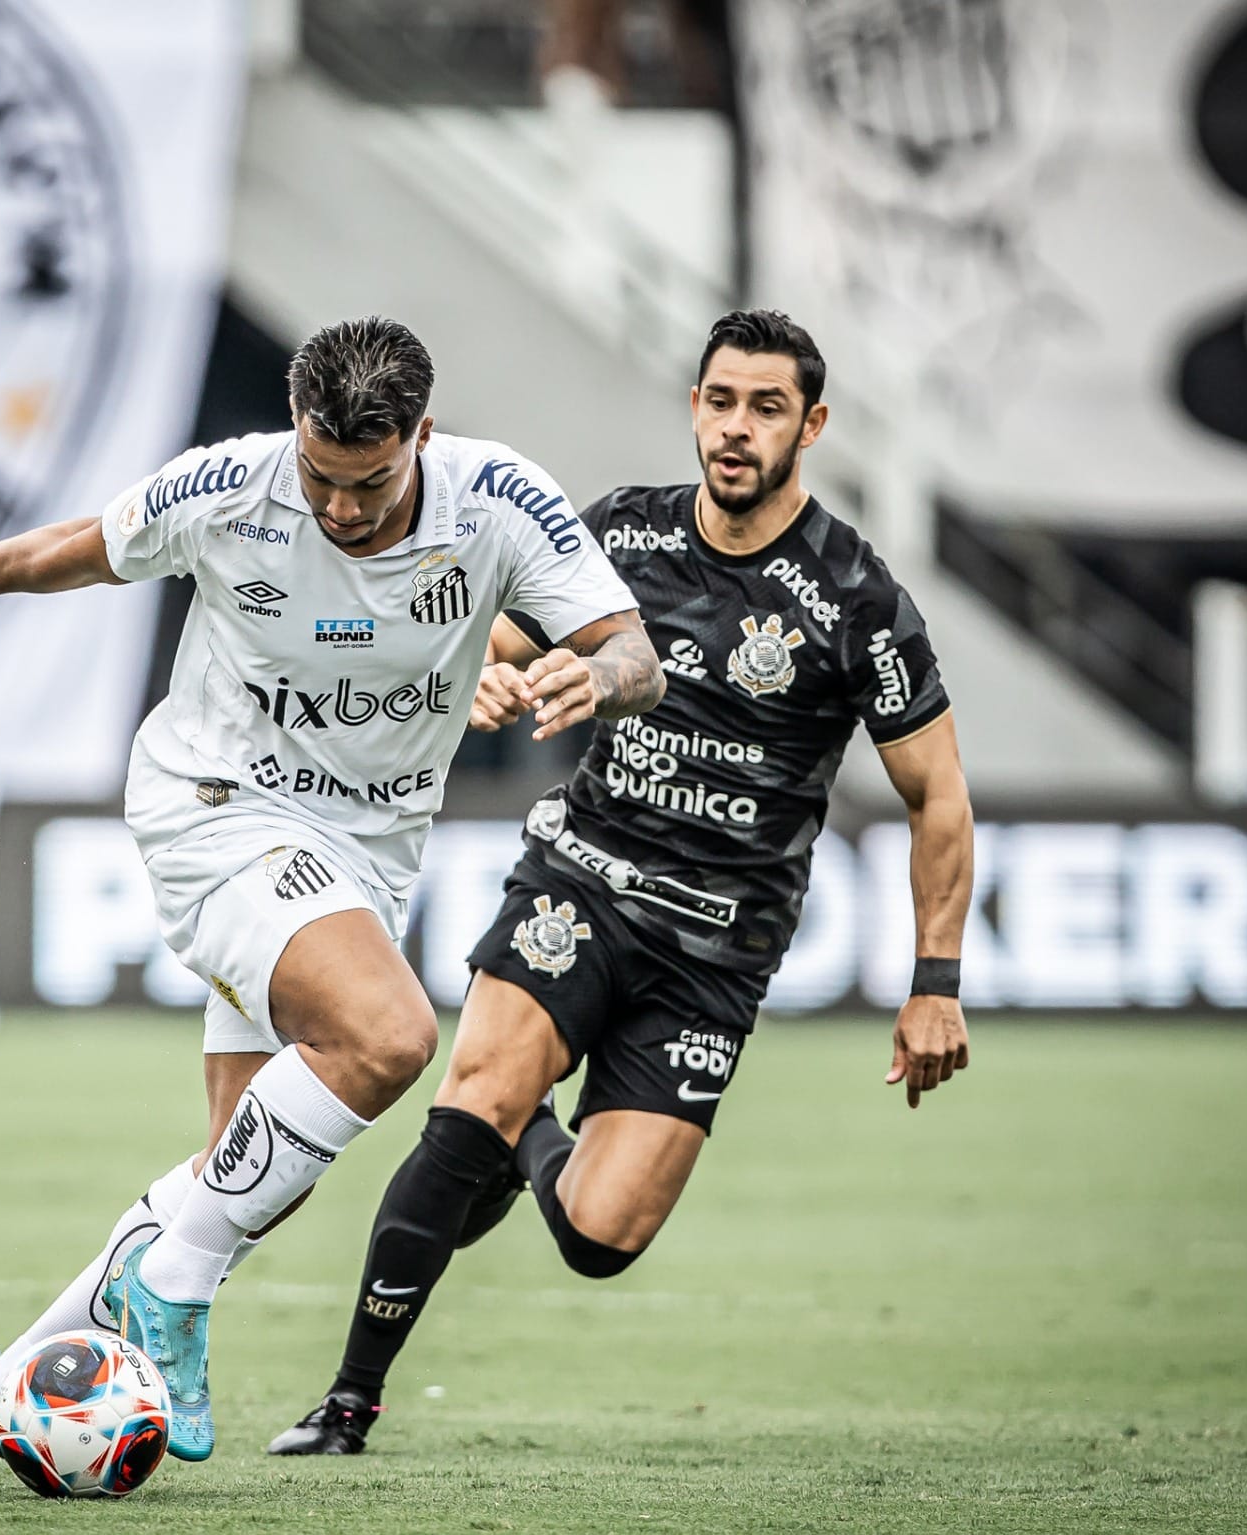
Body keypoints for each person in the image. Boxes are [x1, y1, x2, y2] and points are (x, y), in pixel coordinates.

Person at [0, 316, 664, 1464]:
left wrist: (588, 672)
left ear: (422, 432)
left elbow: (637, 656)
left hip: (368, 853)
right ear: (295, 426)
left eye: (368, 483)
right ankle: (170, 1291)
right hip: (216, 805)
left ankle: (20, 1365)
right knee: (389, 1032)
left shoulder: (501, 500)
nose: (341, 509)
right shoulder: (233, 485)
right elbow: (94, 541)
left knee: (245, 1171)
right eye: (321, 475)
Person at [266, 308, 975, 1456]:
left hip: (716, 950)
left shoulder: (856, 597)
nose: (736, 428)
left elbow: (937, 795)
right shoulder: (623, 534)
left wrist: (934, 978)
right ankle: (348, 1401)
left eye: (766, 407)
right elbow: (493, 631)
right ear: (694, 403)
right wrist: (485, 678)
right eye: (720, 400)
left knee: (600, 1233)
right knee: (471, 1096)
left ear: (814, 425)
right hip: (579, 882)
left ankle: (530, 1138)